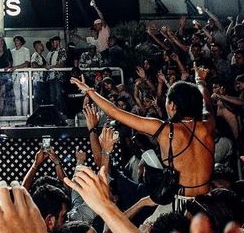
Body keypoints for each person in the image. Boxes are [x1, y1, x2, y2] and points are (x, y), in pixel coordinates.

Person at [72, 72, 215, 193]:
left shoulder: (164, 129)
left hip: (180, 204)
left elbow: (114, 112)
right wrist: (200, 80)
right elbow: (206, 103)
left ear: (172, 105)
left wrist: (90, 91)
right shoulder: (208, 124)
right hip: (207, 201)